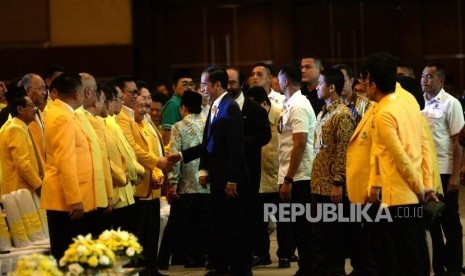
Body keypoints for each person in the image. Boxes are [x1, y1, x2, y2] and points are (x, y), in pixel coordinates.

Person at [169, 66, 252, 276]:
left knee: (233, 225)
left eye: (204, 84)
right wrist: (194, 163)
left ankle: (241, 270)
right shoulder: (215, 107)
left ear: (217, 85)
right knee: (220, 224)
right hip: (217, 176)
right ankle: (222, 266)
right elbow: (208, 143)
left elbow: (235, 146)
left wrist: (233, 179)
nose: (201, 88)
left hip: (229, 177)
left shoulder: (230, 107)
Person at [364, 53, 432, 276]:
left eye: (365, 82)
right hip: (412, 192)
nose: (363, 86)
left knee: (402, 258)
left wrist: (419, 187)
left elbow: (399, 157)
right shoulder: (409, 101)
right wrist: (426, 183)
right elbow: (424, 144)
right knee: (415, 252)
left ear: (373, 85)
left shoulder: (383, 112)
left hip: (398, 195)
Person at [40, 73, 95, 261]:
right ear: (78, 94)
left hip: (70, 197)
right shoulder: (62, 116)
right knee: (69, 256)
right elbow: (66, 160)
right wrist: (74, 198)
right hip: (65, 199)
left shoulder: (63, 113)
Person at [245, 85, 295, 269]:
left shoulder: (282, 115)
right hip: (259, 179)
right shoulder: (251, 118)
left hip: (279, 176)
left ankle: (285, 254)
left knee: (284, 220)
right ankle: (261, 254)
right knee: (258, 220)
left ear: (264, 104)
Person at [421, 62, 464, 276]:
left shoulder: (451, 104)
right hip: (429, 173)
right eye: (423, 76)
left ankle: (454, 267)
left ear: (441, 80)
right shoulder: (423, 105)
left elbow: (459, 141)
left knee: (450, 222)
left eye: (429, 77)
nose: (425, 80)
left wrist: (455, 175)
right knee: (432, 221)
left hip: (446, 171)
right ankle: (438, 267)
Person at [226, 66, 271, 267]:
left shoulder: (253, 108)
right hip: (226, 170)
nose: (229, 86)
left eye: (232, 82)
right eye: (225, 83)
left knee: (250, 213)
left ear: (240, 84)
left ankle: (251, 255)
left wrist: (243, 143)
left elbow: (265, 136)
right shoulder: (219, 107)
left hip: (249, 169)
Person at [277, 63, 315, 276]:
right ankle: (306, 267)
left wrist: (289, 178)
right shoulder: (288, 103)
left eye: (279, 78)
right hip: (289, 174)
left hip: (299, 176)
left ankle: (308, 268)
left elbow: (300, 143)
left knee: (302, 227)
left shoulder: (299, 105)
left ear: (286, 81)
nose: (277, 81)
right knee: (295, 225)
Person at [166, 90, 209, 268]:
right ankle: (206, 256)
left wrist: (173, 183)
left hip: (187, 184)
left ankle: (193, 257)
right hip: (207, 183)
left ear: (183, 108)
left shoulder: (178, 126)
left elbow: (174, 157)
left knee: (190, 225)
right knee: (206, 223)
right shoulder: (209, 124)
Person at [0, 88, 43, 196]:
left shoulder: (20, 126)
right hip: (20, 192)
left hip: (24, 189)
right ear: (20, 109)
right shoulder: (15, 129)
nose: (35, 109)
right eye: (31, 106)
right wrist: (39, 186)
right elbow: (23, 164)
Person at [161, 69, 195, 145]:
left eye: (191, 84)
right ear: (174, 87)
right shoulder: (173, 104)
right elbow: (167, 135)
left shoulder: (186, 103)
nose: (189, 87)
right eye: (185, 84)